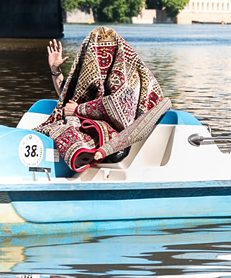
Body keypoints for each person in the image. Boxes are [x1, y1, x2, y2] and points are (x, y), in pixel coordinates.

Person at [36, 27, 170, 172]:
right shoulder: (95, 73)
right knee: (54, 127)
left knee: (68, 131)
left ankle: (79, 158)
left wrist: (78, 109)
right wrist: (55, 70)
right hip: (94, 127)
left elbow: (120, 111)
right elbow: (70, 97)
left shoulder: (128, 75)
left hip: (118, 141)